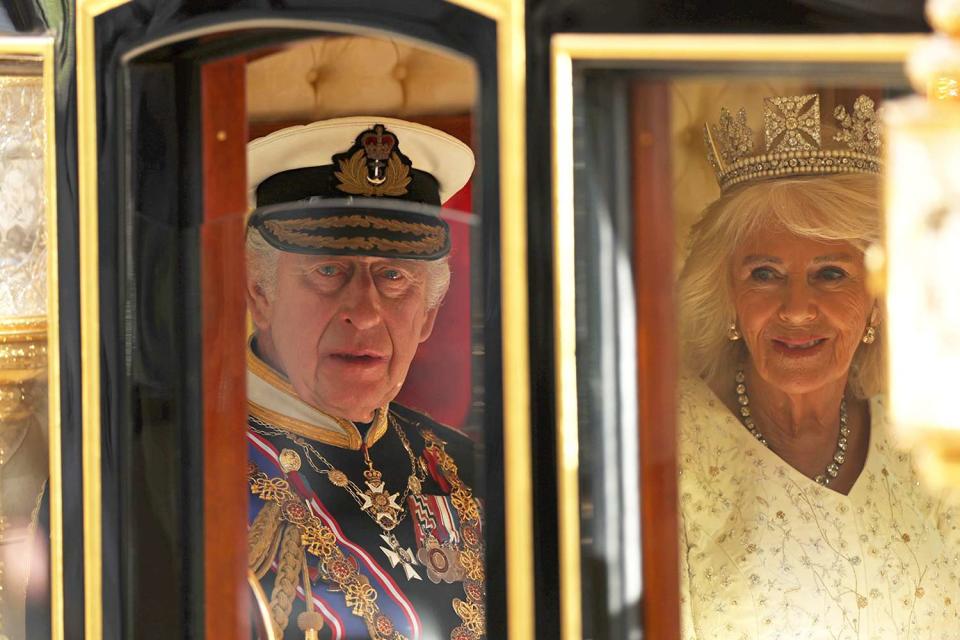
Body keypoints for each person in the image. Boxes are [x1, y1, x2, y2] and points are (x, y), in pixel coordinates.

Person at [677, 94, 960, 639]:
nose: (798, 308)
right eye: (765, 273)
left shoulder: (925, 444)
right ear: (728, 293)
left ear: (878, 297)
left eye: (831, 274)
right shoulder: (671, 440)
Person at [244, 117, 485, 640]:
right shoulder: (171, 477)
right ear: (260, 292)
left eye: (394, 276)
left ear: (427, 315)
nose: (365, 311)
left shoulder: (468, 469)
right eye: (329, 269)